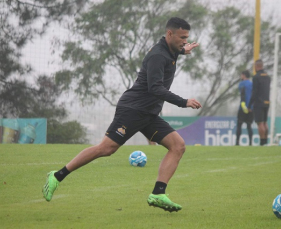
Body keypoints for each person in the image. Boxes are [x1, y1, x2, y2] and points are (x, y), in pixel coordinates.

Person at [42, 17, 202, 212]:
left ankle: (158, 193)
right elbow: (155, 89)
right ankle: (57, 175)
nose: (185, 41)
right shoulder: (158, 55)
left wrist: (184, 50)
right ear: (170, 34)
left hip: (148, 113)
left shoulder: (171, 49)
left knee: (178, 146)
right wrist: (183, 102)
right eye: (182, 37)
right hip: (133, 110)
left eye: (187, 38)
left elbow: (176, 51)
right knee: (106, 149)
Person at [248, 59, 271, 146]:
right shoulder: (267, 76)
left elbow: (254, 92)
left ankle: (262, 142)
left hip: (259, 103)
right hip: (267, 102)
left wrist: (249, 105)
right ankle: (265, 142)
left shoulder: (256, 77)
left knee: (260, 123)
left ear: (256, 66)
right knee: (265, 122)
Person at [235, 70, 253, 146]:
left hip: (243, 107)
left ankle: (237, 142)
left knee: (239, 124)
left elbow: (242, 94)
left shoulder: (241, 84)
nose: (241, 76)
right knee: (249, 126)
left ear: (244, 75)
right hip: (251, 107)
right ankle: (250, 143)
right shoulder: (252, 84)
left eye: (241, 75)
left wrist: (244, 106)